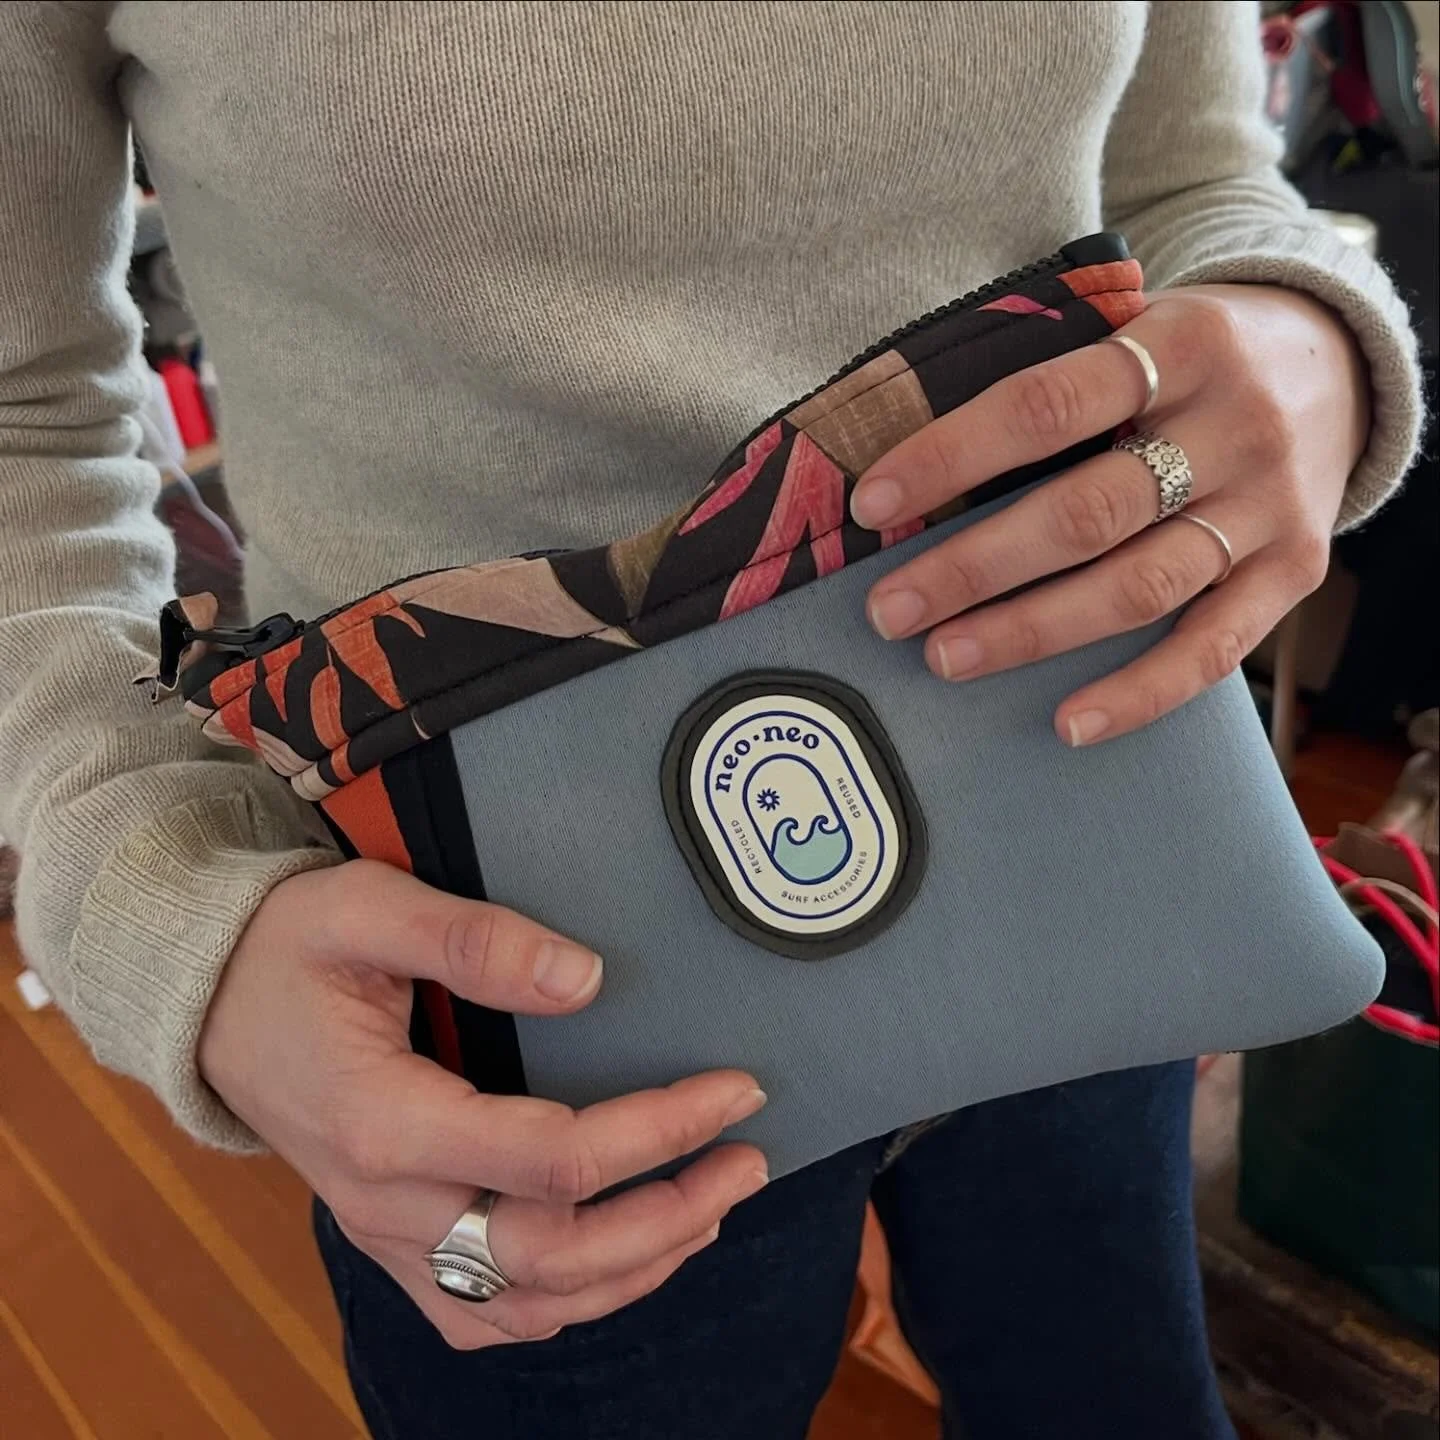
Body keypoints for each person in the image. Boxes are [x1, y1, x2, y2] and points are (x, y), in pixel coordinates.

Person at [0, 4, 1422, 1437]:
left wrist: (1303, 336)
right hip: (523, 1009)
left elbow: (1187, 178)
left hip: (1085, 802)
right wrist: (156, 895)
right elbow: (21, 412)